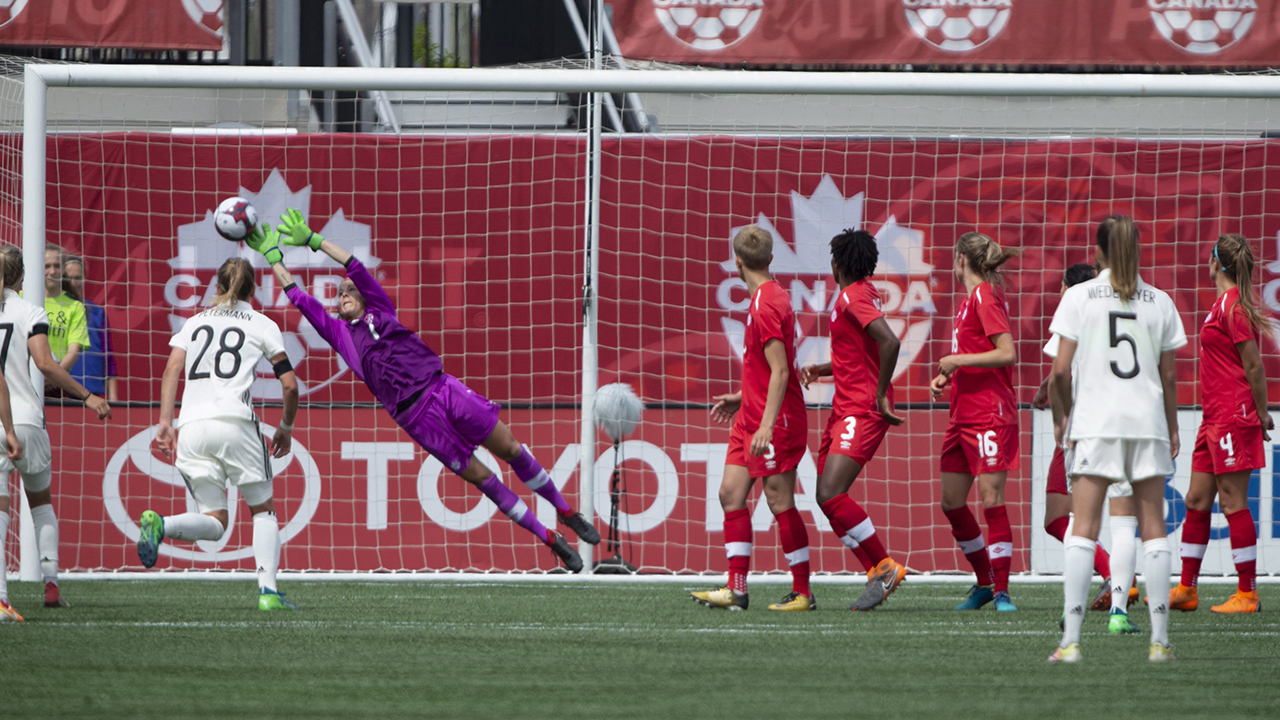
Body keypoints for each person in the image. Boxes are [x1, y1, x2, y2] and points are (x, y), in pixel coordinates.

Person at [247, 210, 599, 572]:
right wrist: (274, 258)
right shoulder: (339, 335)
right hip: (417, 419)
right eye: (339, 294)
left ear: (365, 296)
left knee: (509, 447)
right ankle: (549, 538)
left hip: (442, 388)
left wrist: (313, 240)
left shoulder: (381, 309)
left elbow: (353, 264)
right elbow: (299, 298)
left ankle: (567, 512)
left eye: (350, 290)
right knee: (483, 478)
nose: (344, 294)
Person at [1048, 215, 1185, 664]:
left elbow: (1060, 371)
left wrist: (1063, 417)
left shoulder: (1079, 296)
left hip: (1096, 423)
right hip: (1145, 423)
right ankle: (1161, 642)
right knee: (1154, 532)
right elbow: (1168, 375)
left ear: (1098, 252)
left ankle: (1070, 642)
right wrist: (1172, 426)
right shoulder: (1161, 301)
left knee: (1083, 529)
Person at [137, 258, 301, 610]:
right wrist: (285, 429)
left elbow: (171, 369)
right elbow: (290, 386)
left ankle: (161, 524)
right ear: (253, 290)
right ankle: (268, 593)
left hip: (192, 427)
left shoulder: (193, 323)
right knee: (263, 510)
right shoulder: (263, 324)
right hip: (236, 423)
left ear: (216, 287)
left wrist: (165, 422)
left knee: (215, 521)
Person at [692, 224, 813, 611]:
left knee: (779, 501)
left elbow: (781, 371)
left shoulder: (766, 305)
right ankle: (736, 589)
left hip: (773, 421)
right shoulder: (769, 296)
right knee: (730, 493)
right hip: (751, 413)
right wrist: (741, 397)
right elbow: (767, 370)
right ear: (770, 259)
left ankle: (803, 592)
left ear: (737, 262)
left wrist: (765, 425)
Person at [799, 229, 907, 611]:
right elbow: (859, 353)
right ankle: (876, 573)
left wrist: (879, 395)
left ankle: (884, 565)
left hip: (861, 409)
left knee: (831, 493)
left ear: (836, 264)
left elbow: (890, 343)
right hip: (845, 407)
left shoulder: (852, 295)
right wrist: (825, 368)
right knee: (825, 498)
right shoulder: (857, 294)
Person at [0, 245, 112, 613]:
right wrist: (88, 396)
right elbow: (46, 364)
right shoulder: (30, 311)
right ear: (21, 277)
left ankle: (1, 598)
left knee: (1, 508)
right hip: (27, 418)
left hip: (2, 421)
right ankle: (50, 588)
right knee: (41, 503)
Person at [1034, 263, 1142, 635]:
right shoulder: (1141, 304)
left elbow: (1062, 371)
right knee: (1124, 520)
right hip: (1127, 426)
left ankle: (1085, 598)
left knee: (1072, 521)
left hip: (1082, 430)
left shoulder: (1075, 308)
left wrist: (1061, 421)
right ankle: (1117, 602)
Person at [1171, 234, 1271, 614]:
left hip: (1232, 416)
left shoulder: (1234, 307)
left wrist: (1261, 414)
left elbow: (1254, 366)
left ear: (1216, 263)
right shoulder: (1222, 306)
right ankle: (1187, 589)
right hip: (1213, 417)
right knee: (1196, 500)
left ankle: (1247, 594)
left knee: (1233, 503)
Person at [930, 232, 1022, 611]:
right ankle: (984, 581)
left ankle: (1001, 590)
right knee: (951, 502)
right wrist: (948, 375)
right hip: (963, 414)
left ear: (961, 260)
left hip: (989, 413)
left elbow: (1007, 352)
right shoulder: (971, 301)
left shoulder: (983, 295)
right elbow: (978, 351)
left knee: (991, 499)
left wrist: (956, 361)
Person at [62, 255, 119, 402]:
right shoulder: (53, 307)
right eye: (69, 278)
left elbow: (108, 356)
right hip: (60, 389)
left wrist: (113, 398)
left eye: (78, 278)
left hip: (91, 392)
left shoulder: (96, 311)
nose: (74, 283)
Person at [37, 244, 89, 374]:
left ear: (63, 269)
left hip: (57, 381)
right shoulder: (23, 297)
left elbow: (73, 351)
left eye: (57, 266)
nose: (52, 271)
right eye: (47, 266)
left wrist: (53, 376)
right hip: (24, 379)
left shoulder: (75, 306)